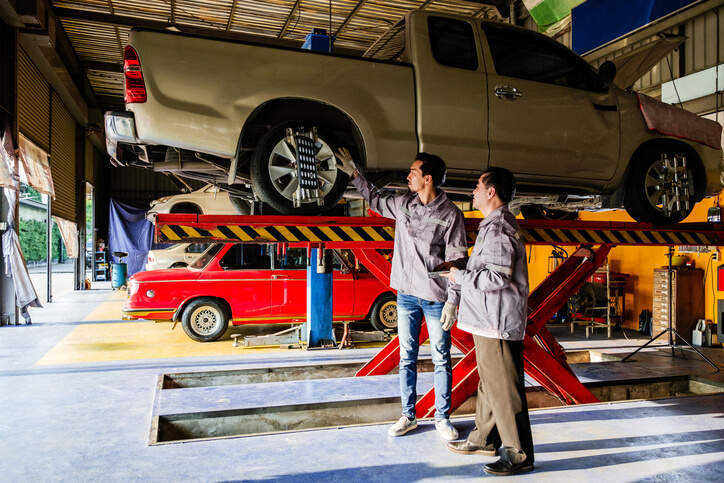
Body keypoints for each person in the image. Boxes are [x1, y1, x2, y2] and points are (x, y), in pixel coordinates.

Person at [336, 147, 468, 441]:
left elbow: (458, 262)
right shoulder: (405, 205)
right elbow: (375, 198)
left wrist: (452, 302)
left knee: (441, 358)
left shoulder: (451, 215)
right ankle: (408, 415)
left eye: (413, 172)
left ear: (428, 179)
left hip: (435, 298)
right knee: (406, 356)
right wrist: (355, 173)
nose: (408, 176)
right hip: (406, 295)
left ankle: (442, 417)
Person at [441, 167, 535, 476]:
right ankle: (484, 437)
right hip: (487, 319)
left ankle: (519, 453)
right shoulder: (492, 225)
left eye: (477, 187)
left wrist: (460, 276)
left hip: (496, 320)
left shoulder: (499, 228)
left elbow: (497, 276)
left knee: (504, 388)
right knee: (491, 384)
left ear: (491, 191)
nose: (473, 192)